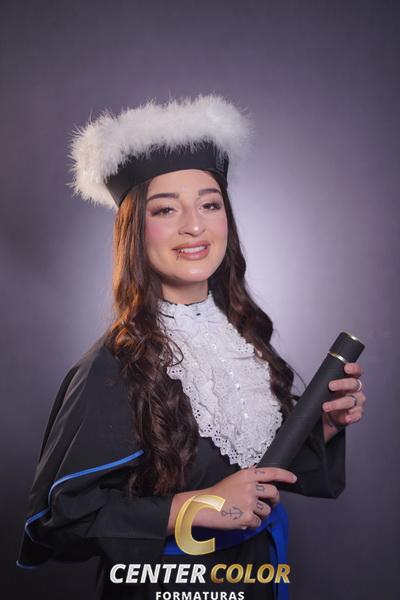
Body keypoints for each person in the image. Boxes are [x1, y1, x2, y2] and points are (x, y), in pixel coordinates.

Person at [17, 94, 366, 600]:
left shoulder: (242, 338)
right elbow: (61, 520)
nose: (195, 226)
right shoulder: (114, 365)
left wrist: (325, 426)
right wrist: (194, 507)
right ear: (134, 229)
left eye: (209, 204)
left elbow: (259, 473)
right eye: (166, 209)